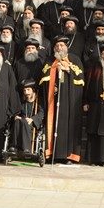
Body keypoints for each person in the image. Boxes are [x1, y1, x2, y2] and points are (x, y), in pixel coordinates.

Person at [41, 36, 86, 164]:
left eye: (62, 45)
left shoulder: (75, 59)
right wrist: (54, 71)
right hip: (54, 101)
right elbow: (43, 79)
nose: (59, 48)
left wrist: (68, 70)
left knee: (69, 126)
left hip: (70, 101)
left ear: (66, 47)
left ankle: (68, 156)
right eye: (57, 46)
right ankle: (52, 154)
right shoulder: (50, 60)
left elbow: (81, 79)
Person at [8, 80, 45, 158]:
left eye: (28, 90)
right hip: (22, 123)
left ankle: (26, 148)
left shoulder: (38, 101)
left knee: (23, 121)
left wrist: (32, 119)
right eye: (24, 90)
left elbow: (41, 113)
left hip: (33, 124)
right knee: (17, 121)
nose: (26, 92)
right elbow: (18, 112)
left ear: (33, 90)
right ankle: (13, 147)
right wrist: (17, 116)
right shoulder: (22, 102)